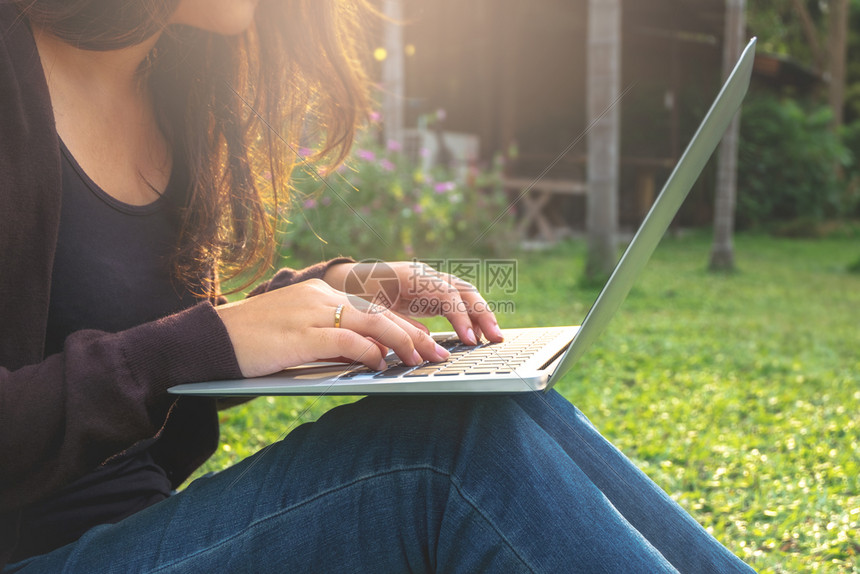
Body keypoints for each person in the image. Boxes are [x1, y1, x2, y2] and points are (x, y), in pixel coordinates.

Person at [0, 1, 756, 572]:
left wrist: (331, 290)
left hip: (141, 530)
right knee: (437, 455)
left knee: (498, 408)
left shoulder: (170, 95)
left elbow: (134, 347)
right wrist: (204, 342)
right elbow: (157, 359)